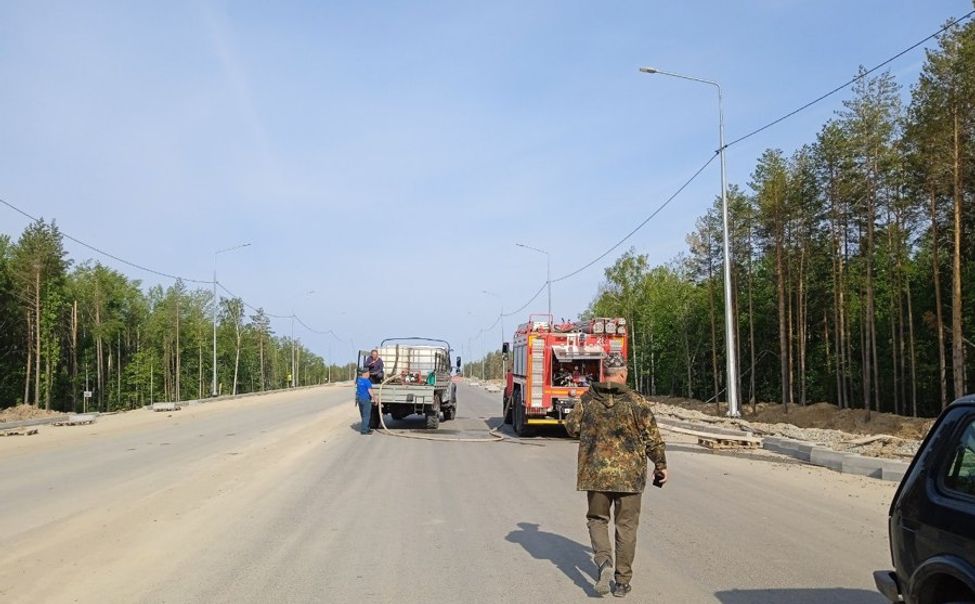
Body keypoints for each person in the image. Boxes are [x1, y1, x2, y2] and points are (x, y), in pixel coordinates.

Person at [565, 352, 668, 598]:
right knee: (627, 527)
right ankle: (622, 582)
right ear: (623, 374)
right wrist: (660, 465)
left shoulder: (588, 400)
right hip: (629, 478)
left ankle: (604, 563)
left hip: (596, 474)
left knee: (597, 520)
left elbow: (570, 427)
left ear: (605, 375)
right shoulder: (636, 401)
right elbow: (652, 438)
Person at [355, 368, 379, 435]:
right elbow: (370, 391)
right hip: (366, 400)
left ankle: (367, 428)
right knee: (366, 416)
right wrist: (375, 399)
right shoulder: (367, 381)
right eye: (368, 373)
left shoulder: (359, 380)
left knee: (363, 415)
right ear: (365, 374)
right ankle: (364, 431)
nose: (369, 375)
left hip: (360, 400)